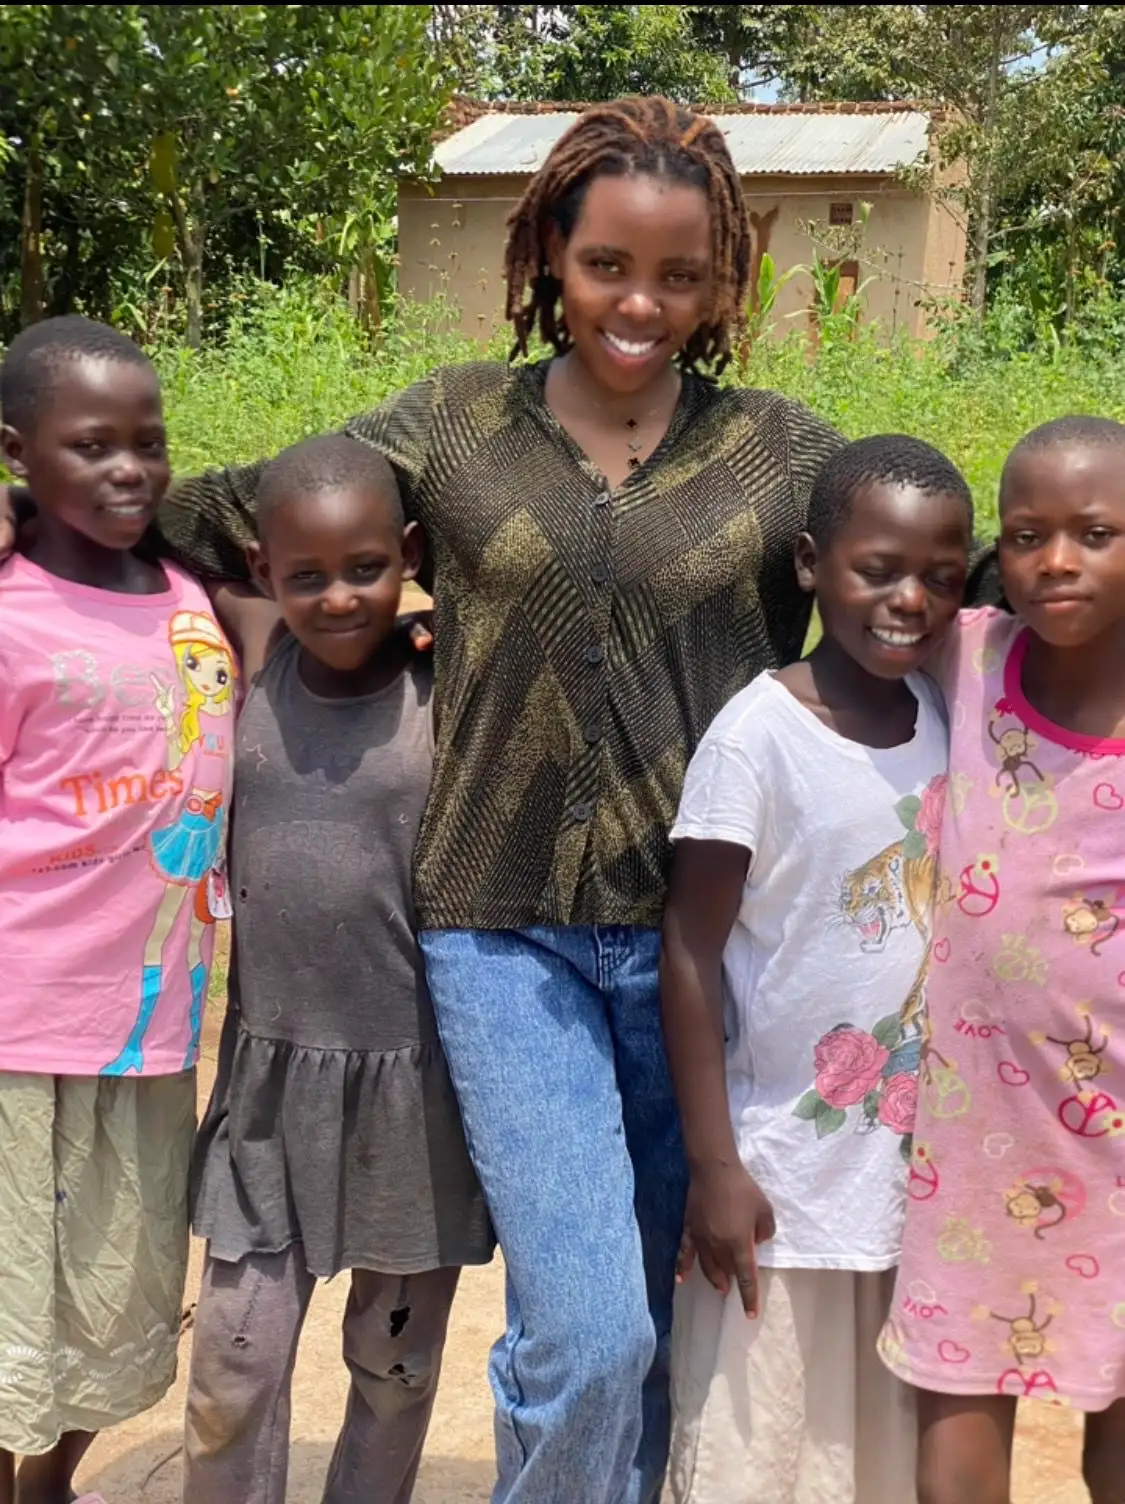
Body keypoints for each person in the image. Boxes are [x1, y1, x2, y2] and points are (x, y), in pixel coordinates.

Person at [2, 98, 844, 1504]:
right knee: (582, 1330)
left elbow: (937, 572)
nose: (640, 304)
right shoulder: (454, 428)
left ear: (723, 283)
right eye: (605, 267)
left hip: (703, 953)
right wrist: (29, 517)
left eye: (680, 276)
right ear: (548, 261)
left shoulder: (780, 456)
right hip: (496, 938)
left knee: (650, 1323)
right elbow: (247, 513)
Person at [660, 435, 974, 1504]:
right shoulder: (757, 740)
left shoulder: (943, 715)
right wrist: (714, 1167)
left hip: (903, 1193)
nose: (909, 598)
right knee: (753, 1461)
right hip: (777, 1190)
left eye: (940, 575)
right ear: (809, 563)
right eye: (877, 567)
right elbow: (690, 951)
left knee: (868, 1463)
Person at [183, 433, 493, 1504]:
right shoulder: (255, 643)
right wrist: (23, 512)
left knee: (395, 1371)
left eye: (367, 567)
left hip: (413, 1098)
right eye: (305, 574)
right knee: (234, 1364)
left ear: (409, 553)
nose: (339, 596)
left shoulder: (447, 686)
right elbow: (152, 523)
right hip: (268, 1091)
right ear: (264, 572)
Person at [0, 316, 234, 1504]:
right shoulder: (8, 611)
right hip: (16, 1027)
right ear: (17, 455)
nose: (130, 468)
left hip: (149, 1031)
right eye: (91, 446)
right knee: (11, 1313)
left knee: (117, 1298)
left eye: (149, 441)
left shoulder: (194, 598)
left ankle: (49, 1485)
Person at [879, 416, 1125, 1504]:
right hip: (976, 1136)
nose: (1057, 560)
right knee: (959, 1420)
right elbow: (856, 589)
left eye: (1098, 533)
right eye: (1027, 533)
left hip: (1119, 1139)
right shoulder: (970, 652)